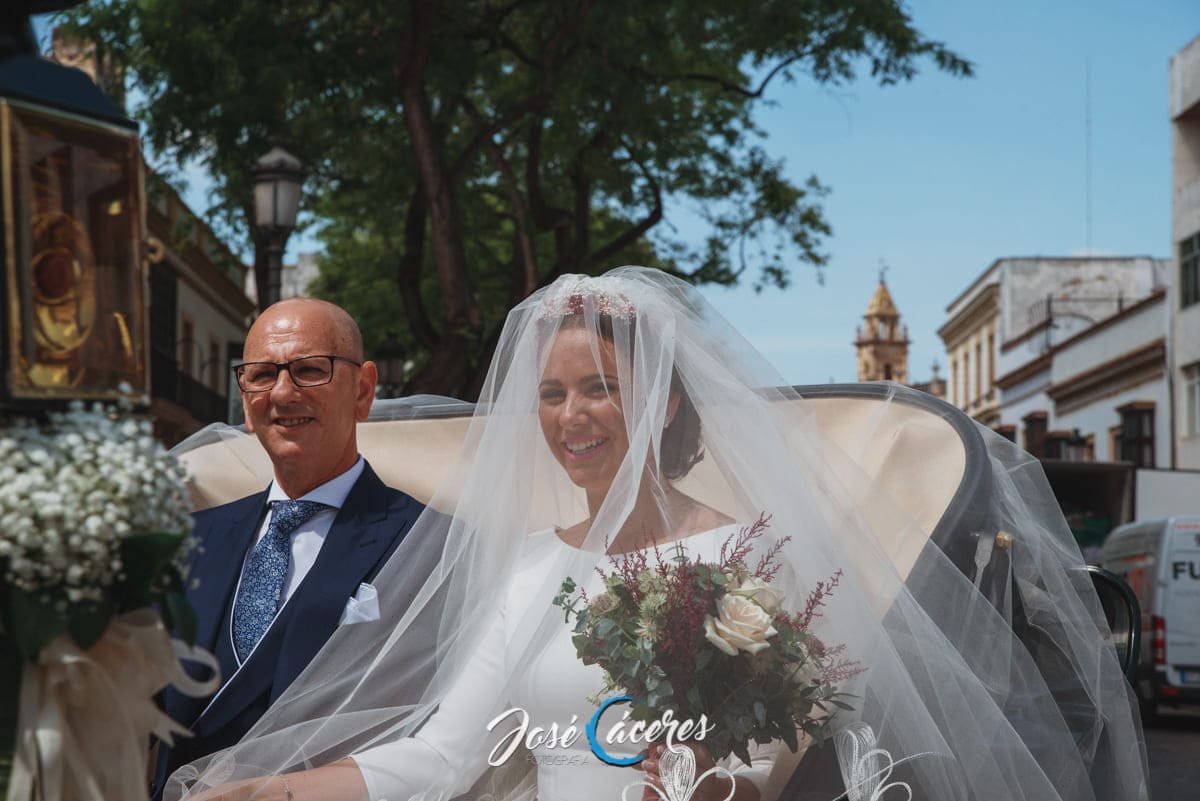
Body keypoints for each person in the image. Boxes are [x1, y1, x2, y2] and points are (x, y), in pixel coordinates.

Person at [169, 268, 1148, 801]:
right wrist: (275, 797)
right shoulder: (529, 567)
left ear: (663, 398)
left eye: (599, 387)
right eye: (552, 394)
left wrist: (711, 782)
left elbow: (755, 771)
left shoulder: (754, 564)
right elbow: (442, 756)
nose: (570, 416)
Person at [152, 299, 427, 799]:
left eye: (308, 370)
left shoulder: (429, 543)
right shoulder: (189, 539)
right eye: (261, 375)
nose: (282, 392)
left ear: (363, 390)